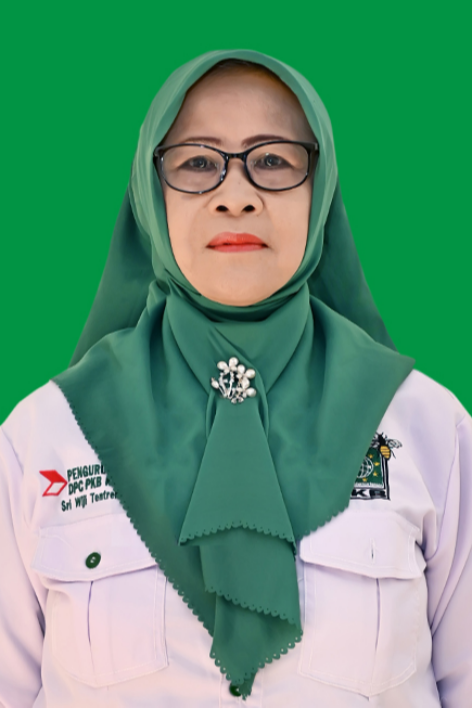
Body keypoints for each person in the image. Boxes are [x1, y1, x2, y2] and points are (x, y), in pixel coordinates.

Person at [0, 49, 471, 708]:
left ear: (320, 189)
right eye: (197, 163)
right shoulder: (46, 435)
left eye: (273, 160)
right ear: (150, 194)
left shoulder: (427, 427)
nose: (237, 195)